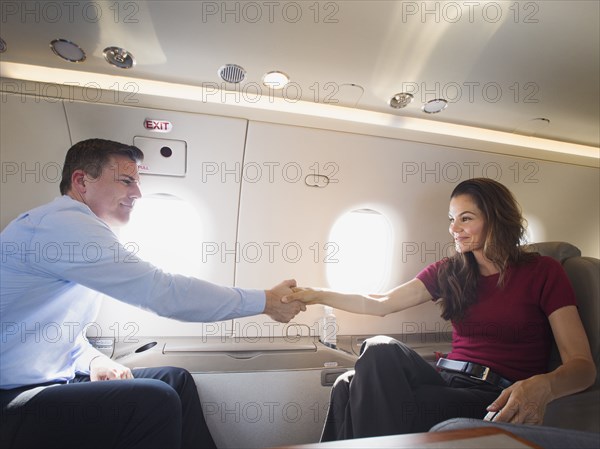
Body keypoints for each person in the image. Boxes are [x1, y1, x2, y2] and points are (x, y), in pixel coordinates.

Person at [0, 138, 306, 449]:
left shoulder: (76, 229)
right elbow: (162, 293)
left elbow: (57, 332)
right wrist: (266, 301)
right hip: (15, 396)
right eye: (126, 180)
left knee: (176, 380)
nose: (137, 193)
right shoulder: (60, 226)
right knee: (153, 400)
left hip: (53, 380)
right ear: (81, 181)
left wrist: (93, 361)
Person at [283, 178, 596, 441]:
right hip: (444, 377)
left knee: (349, 386)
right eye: (451, 219)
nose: (454, 228)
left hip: (491, 393)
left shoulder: (543, 272)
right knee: (378, 349)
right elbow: (381, 303)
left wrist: (544, 384)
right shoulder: (450, 271)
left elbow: (583, 366)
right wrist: (317, 294)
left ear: (496, 218)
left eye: (465, 218)